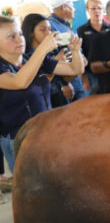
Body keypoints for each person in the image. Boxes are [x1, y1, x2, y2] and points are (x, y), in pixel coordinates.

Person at [0, 15, 84, 172]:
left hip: (47, 131)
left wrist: (76, 50)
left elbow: (75, 69)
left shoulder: (33, 58)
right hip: (19, 139)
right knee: (32, 190)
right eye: (12, 36)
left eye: (20, 34)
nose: (20, 40)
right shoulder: (7, 67)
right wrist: (43, 49)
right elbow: (19, 82)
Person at [47, 0, 87, 105]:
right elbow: (50, 59)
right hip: (66, 85)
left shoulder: (65, 25)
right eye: (72, 6)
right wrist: (62, 84)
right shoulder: (51, 26)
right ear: (64, 7)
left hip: (75, 79)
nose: (74, 9)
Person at [77, 0, 110, 95]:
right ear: (87, 10)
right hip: (91, 74)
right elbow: (79, 54)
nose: (97, 11)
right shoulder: (81, 30)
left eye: (99, 8)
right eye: (93, 8)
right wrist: (83, 76)